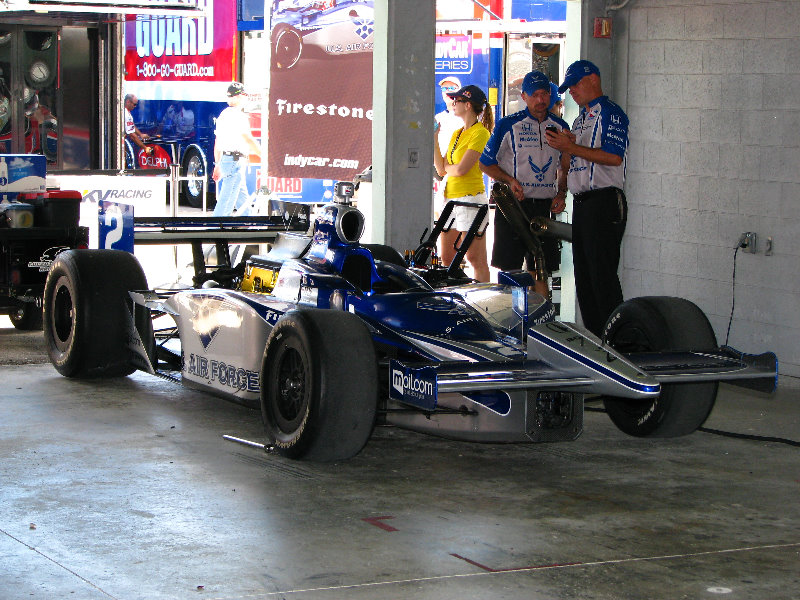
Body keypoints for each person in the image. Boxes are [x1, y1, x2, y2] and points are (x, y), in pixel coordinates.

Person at [545, 60, 629, 337]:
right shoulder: (580, 119)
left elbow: (614, 157)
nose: (572, 93)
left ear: (592, 79)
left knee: (602, 278)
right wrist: (565, 149)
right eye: (568, 89)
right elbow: (573, 161)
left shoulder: (611, 112)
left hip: (604, 202)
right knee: (584, 280)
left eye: (575, 86)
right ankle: (597, 340)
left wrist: (572, 146)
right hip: (581, 203)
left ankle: (618, 344)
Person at [479, 70, 569, 298]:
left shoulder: (561, 126)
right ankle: (508, 321)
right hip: (512, 206)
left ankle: (541, 324)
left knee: (541, 270)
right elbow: (485, 164)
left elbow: (565, 166)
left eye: (545, 94)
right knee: (509, 269)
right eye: (535, 94)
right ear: (524, 97)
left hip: (544, 207)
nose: (541, 100)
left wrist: (561, 193)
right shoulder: (508, 125)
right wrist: (509, 180)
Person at [433, 84, 493, 282]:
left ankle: (482, 301)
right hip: (450, 199)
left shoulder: (480, 133)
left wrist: (451, 167)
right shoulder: (457, 133)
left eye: (456, 100)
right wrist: (433, 137)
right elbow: (442, 169)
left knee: (475, 258)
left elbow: (461, 169)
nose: (452, 103)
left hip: (471, 199)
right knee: (446, 257)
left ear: (468, 105)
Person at [212, 82, 261, 216]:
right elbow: (248, 138)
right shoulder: (239, 116)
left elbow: (218, 141)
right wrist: (263, 154)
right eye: (245, 95)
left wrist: (217, 164)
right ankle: (216, 226)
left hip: (227, 160)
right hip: (235, 161)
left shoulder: (223, 114)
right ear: (239, 96)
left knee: (242, 198)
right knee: (226, 200)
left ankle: (249, 222)